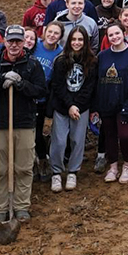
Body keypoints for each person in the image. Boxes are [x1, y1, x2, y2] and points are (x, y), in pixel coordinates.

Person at [0, 25, 46, 222]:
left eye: (18, 41)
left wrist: (22, 84)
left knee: (23, 167)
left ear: (24, 42)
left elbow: (41, 91)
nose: (14, 45)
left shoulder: (32, 65)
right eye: (11, 41)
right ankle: (1, 208)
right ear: (5, 42)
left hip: (24, 122)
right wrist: (1, 80)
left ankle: (22, 206)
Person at [95, 22, 128, 183]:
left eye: (117, 33)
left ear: (124, 34)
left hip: (126, 105)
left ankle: (127, 164)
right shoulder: (102, 56)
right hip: (107, 104)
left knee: (125, 136)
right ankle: (113, 166)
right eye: (111, 35)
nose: (114, 37)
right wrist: (97, 106)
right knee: (109, 136)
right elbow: (96, 82)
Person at [48, 27, 97, 191]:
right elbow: (58, 86)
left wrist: (77, 105)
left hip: (81, 107)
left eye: (80, 40)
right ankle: (56, 171)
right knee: (59, 140)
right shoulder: (61, 60)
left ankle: (73, 171)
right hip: (62, 107)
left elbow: (89, 87)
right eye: (74, 40)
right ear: (69, 41)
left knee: (77, 140)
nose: (77, 43)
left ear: (85, 42)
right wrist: (69, 105)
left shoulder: (91, 61)